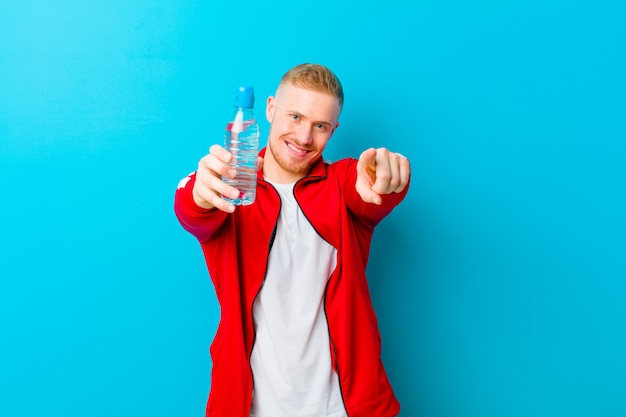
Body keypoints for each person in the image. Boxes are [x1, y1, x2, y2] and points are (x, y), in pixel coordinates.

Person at [175, 63, 410, 417]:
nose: (304, 138)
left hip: (343, 408)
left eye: (320, 126)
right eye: (295, 116)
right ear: (270, 109)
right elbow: (194, 209)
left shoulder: (342, 183)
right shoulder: (230, 188)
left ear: (334, 130)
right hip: (249, 407)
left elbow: (371, 189)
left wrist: (386, 177)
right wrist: (200, 193)